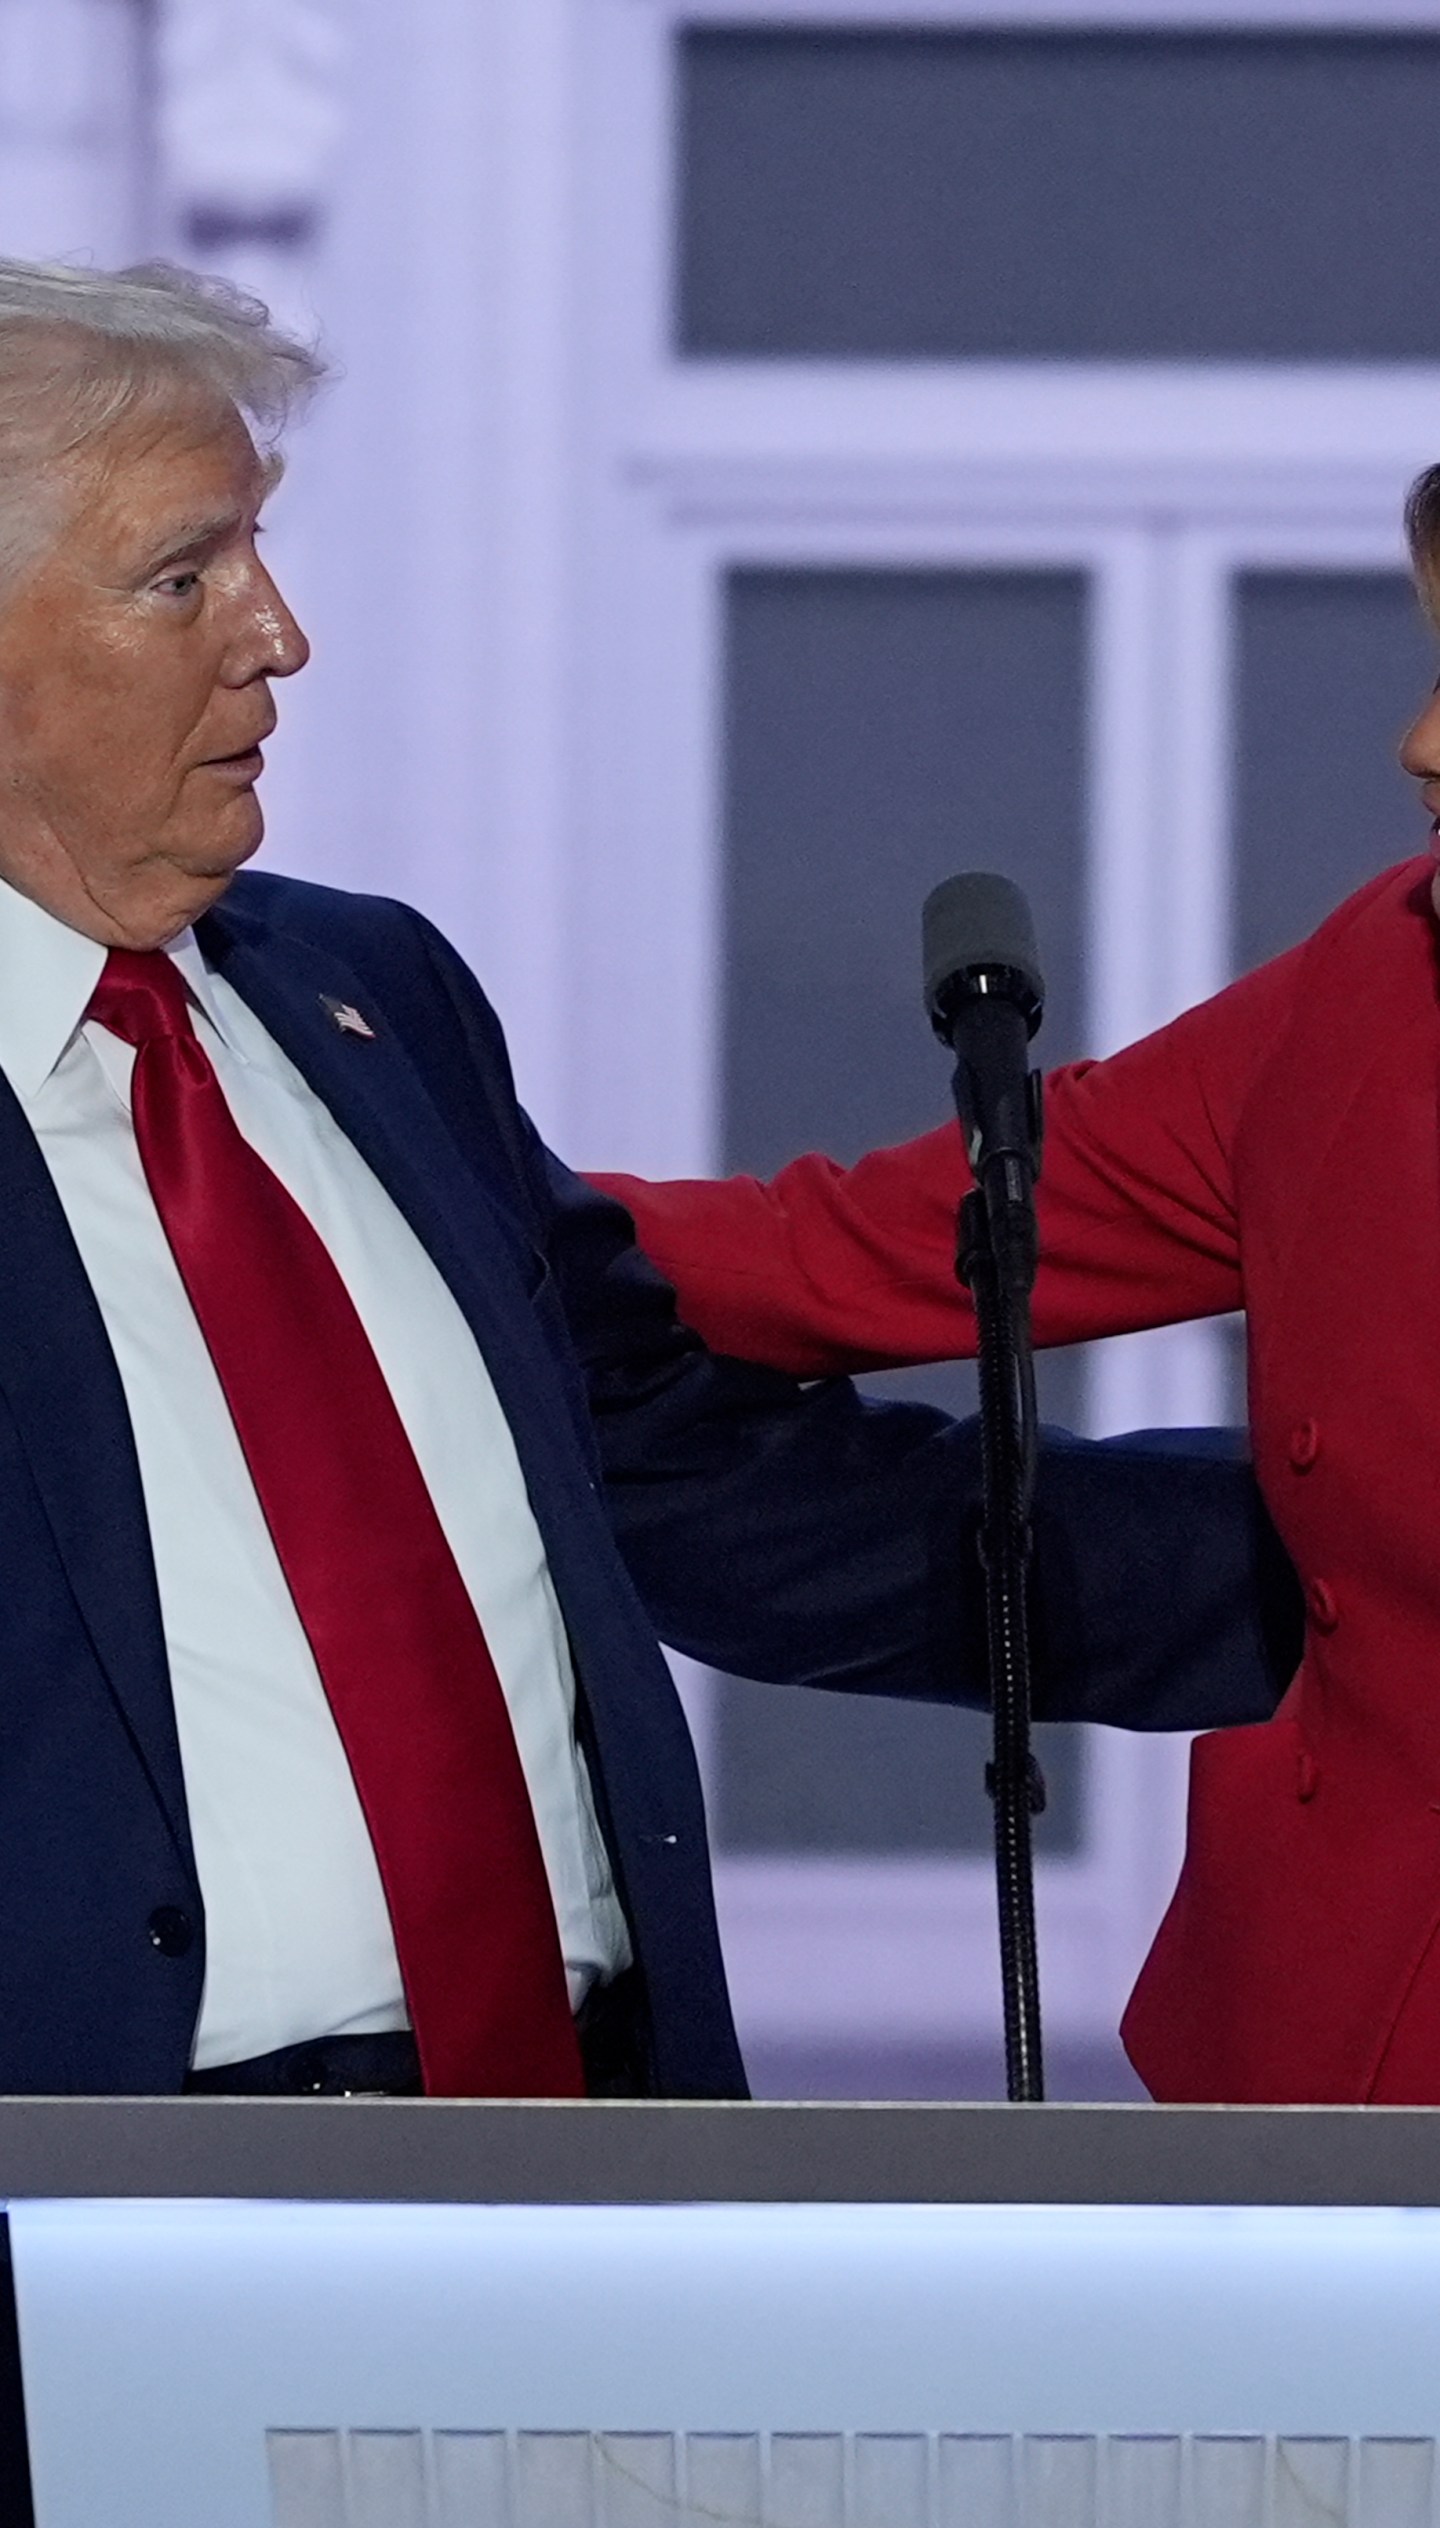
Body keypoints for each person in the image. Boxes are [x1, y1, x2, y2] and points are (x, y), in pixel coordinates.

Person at [0, 255, 1299, 2102]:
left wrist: (1358, 1560)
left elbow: (710, 1487)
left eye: (259, 555)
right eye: (184, 574)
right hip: (101, 2206)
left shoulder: (374, 1000)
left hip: (583, 2149)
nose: (276, 636)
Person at [596, 485, 1440, 2107]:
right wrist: (409, 1190)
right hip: (1318, 2080)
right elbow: (863, 1246)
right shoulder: (1374, 987)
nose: (1417, 744)